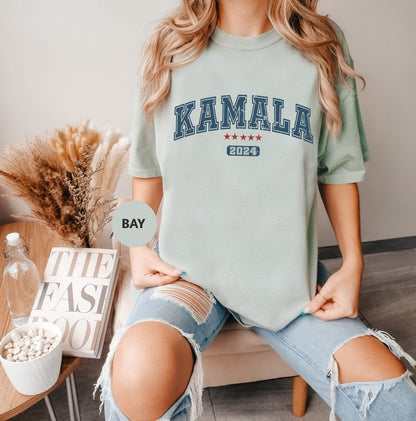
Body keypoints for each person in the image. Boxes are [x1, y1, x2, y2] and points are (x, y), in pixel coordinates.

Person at [93, 1, 416, 420]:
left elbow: (339, 170)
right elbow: (145, 170)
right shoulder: (168, 44)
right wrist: (135, 245)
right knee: (139, 372)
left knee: (398, 406)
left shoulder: (321, 45)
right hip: (188, 274)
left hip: (288, 282)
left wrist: (354, 263)